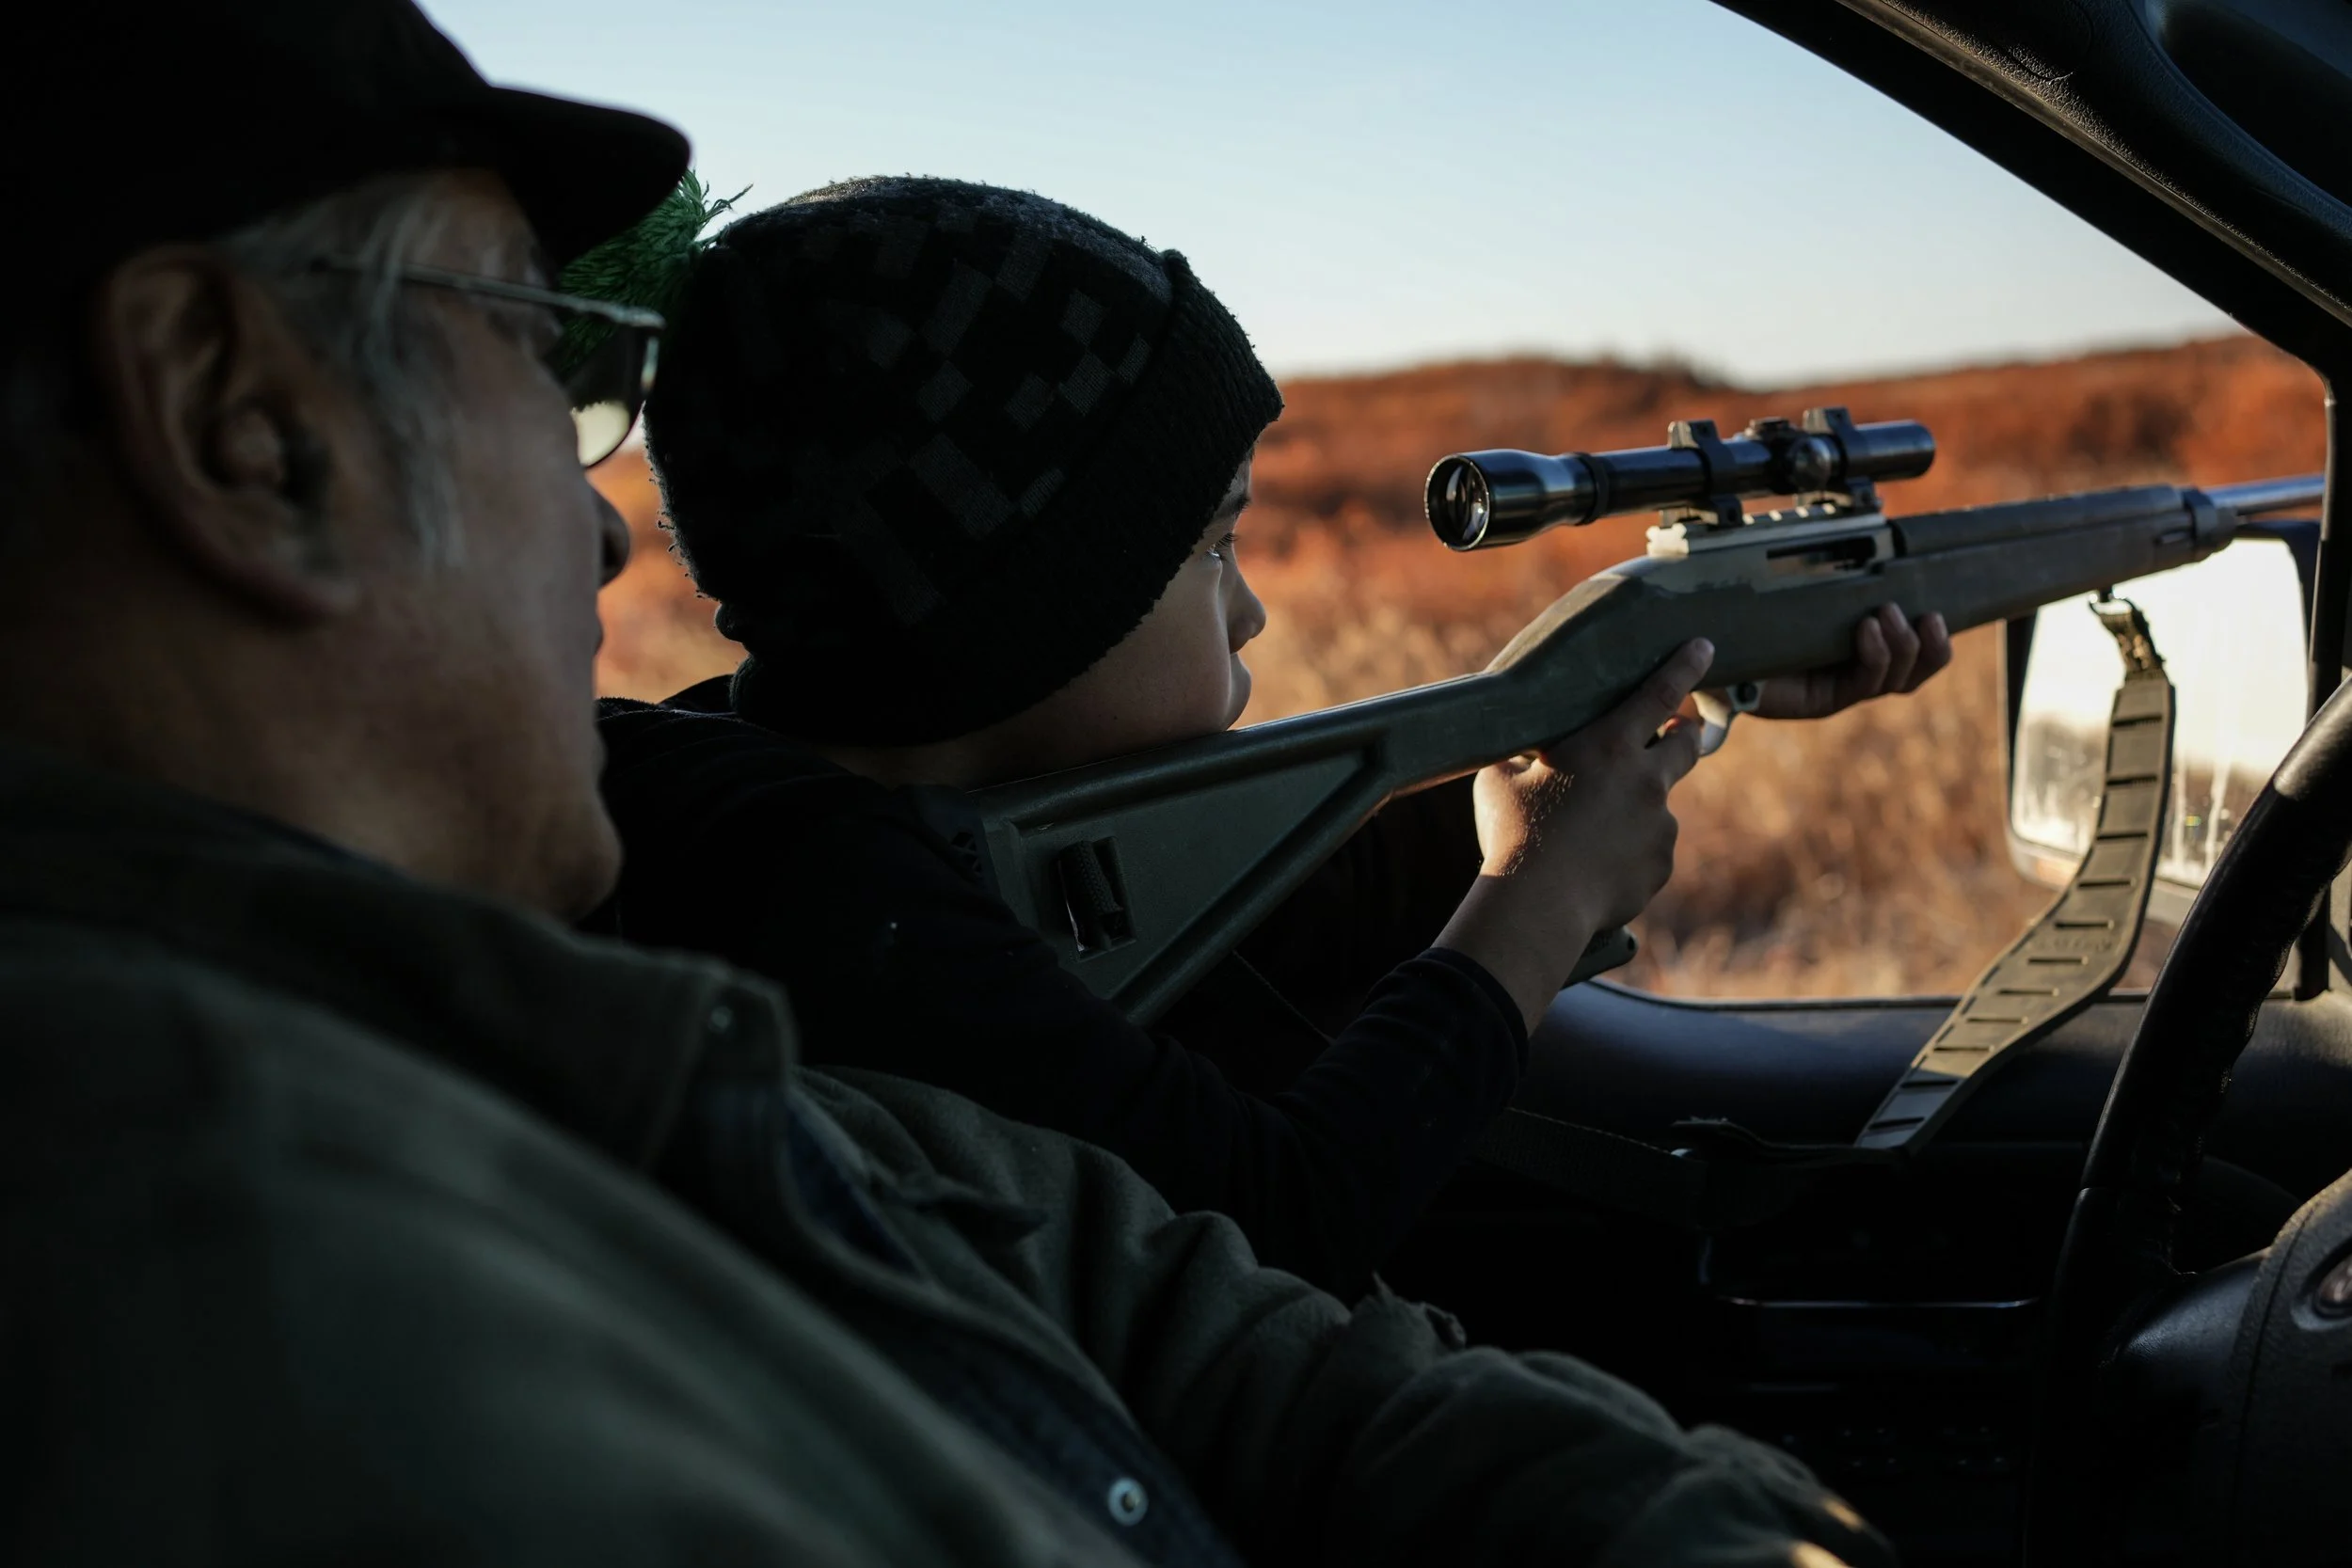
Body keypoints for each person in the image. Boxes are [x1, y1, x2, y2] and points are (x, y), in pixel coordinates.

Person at [2, 6, 1898, 1563]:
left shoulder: (584, 1013)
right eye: (536, 350)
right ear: (237, 422)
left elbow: (1216, 1318)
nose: (600, 535)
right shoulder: (258, 1270)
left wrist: (1556, 771)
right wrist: (1537, 898)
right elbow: (1266, 1205)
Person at [592, 176, 1953, 1293]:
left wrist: (1661, 702)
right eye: (1211, 545)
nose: (1247, 609)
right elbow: (1271, 1218)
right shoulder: (815, 902)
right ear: (1026, 612)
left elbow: (1295, 905)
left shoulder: (852, 801)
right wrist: (1531, 914)